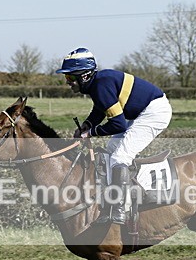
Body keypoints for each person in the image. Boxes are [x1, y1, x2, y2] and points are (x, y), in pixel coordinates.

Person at [56, 47, 172, 225]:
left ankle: (119, 210)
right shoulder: (98, 84)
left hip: (154, 112)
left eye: (70, 77)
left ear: (84, 75)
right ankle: (113, 198)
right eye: (66, 78)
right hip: (141, 112)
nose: (68, 82)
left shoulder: (101, 85)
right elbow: (101, 108)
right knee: (111, 151)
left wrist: (91, 132)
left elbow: (119, 124)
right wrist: (88, 124)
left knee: (120, 157)